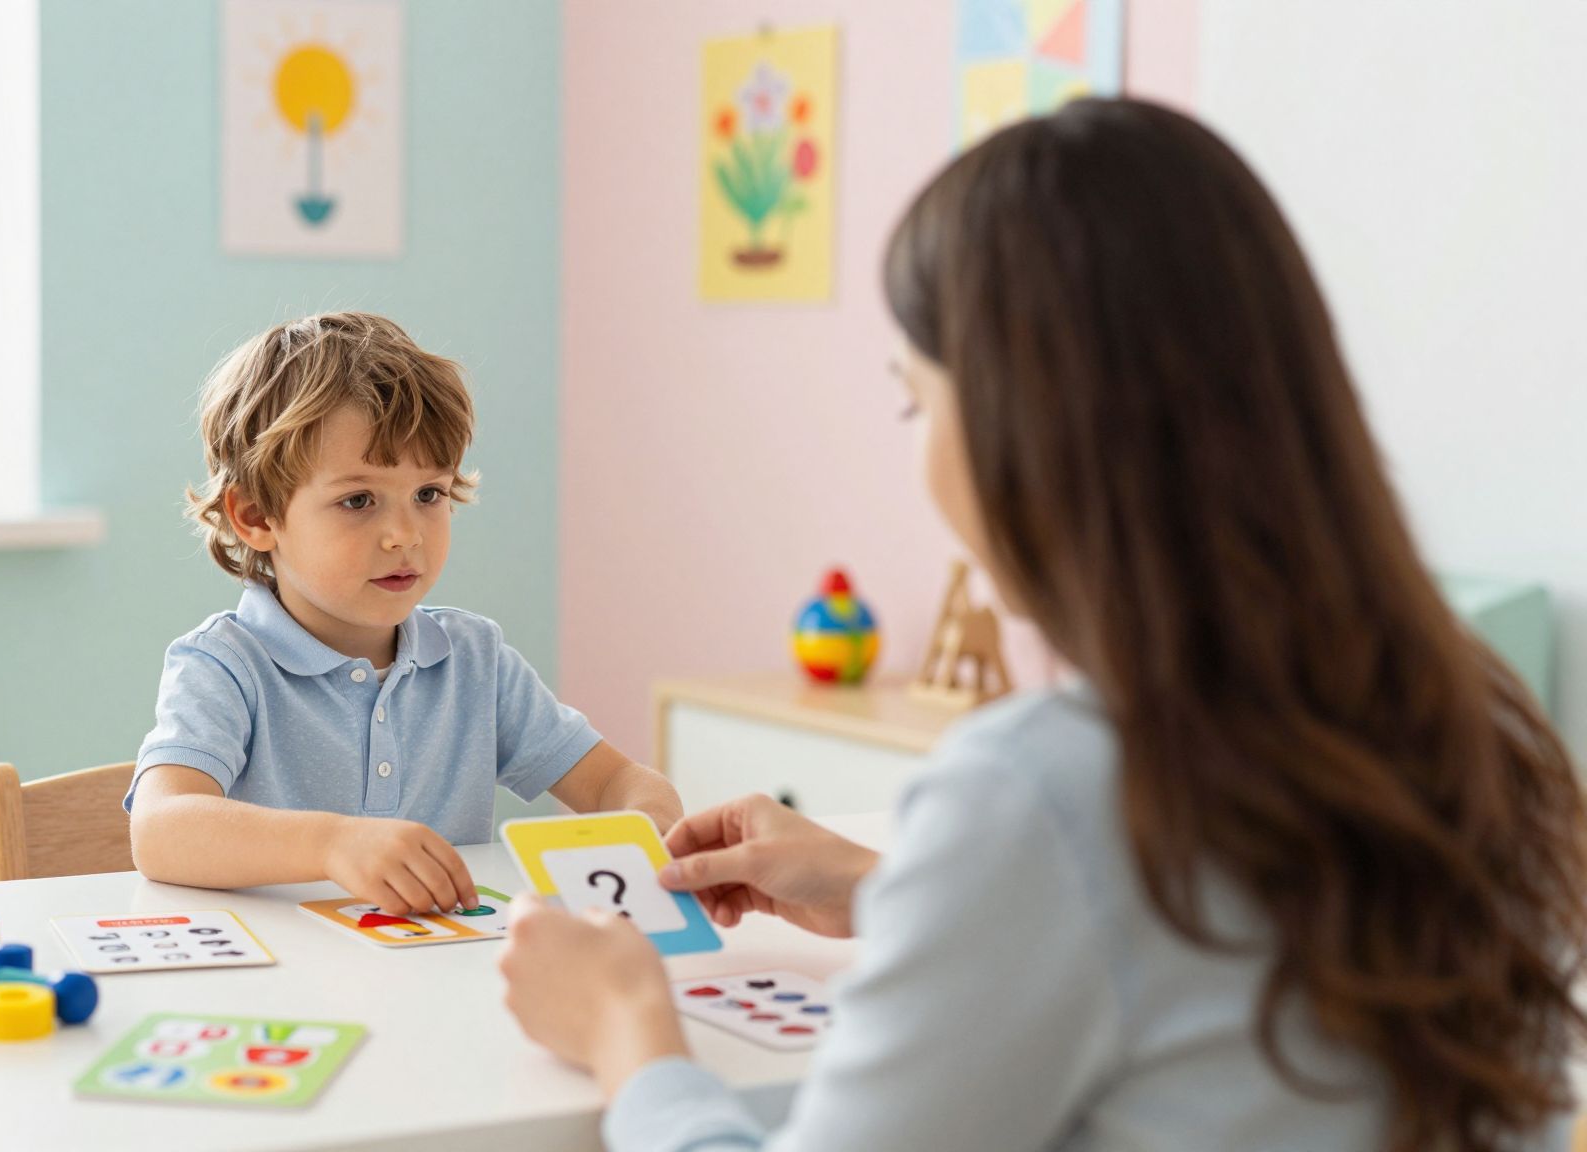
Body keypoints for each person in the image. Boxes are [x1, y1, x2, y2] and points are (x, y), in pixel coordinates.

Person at [499, 100, 1584, 1152]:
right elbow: (1194, 968)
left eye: (915, 401)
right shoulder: (1474, 724)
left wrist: (628, 1038)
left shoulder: (1044, 786)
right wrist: (897, 894)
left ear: (1016, 422)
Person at [127, 311, 681, 916]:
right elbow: (160, 829)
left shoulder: (476, 660)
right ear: (256, 517)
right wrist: (333, 844)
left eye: (428, 494)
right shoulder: (224, 666)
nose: (405, 534)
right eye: (358, 500)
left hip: (444, 962)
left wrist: (651, 822)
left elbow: (614, 782)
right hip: (289, 962)